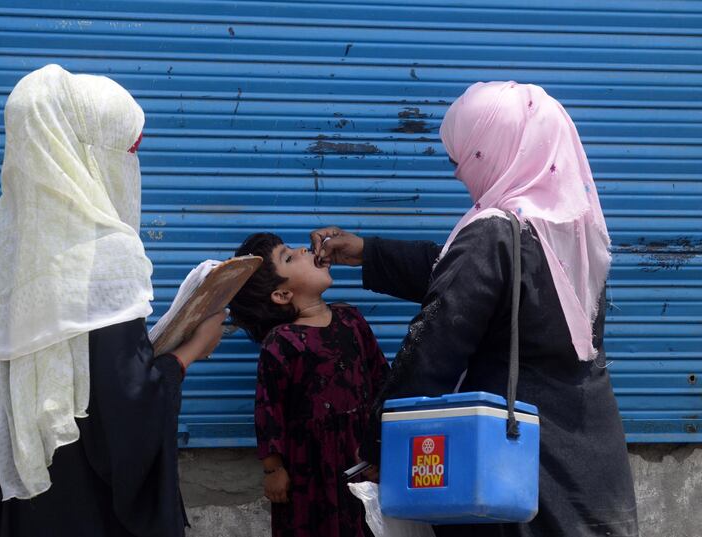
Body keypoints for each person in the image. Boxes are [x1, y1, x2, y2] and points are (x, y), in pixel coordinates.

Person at [311, 81, 638, 537]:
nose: (459, 175)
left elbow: (434, 348)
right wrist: (370, 253)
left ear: (493, 148)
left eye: (463, 158)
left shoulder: (495, 232)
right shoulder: (571, 232)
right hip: (590, 464)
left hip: (516, 466)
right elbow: (484, 284)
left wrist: (381, 445)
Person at [0, 64, 226, 537]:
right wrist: (188, 353)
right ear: (82, 153)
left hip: (18, 489)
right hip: (87, 505)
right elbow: (124, 412)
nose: (130, 167)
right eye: (125, 152)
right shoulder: (105, 254)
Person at [228, 232, 389, 537]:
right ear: (282, 295)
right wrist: (274, 470)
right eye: (289, 256)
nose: (303, 249)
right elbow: (268, 409)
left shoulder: (352, 320)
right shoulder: (281, 342)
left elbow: (383, 382)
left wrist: (384, 446)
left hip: (361, 454)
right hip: (309, 471)